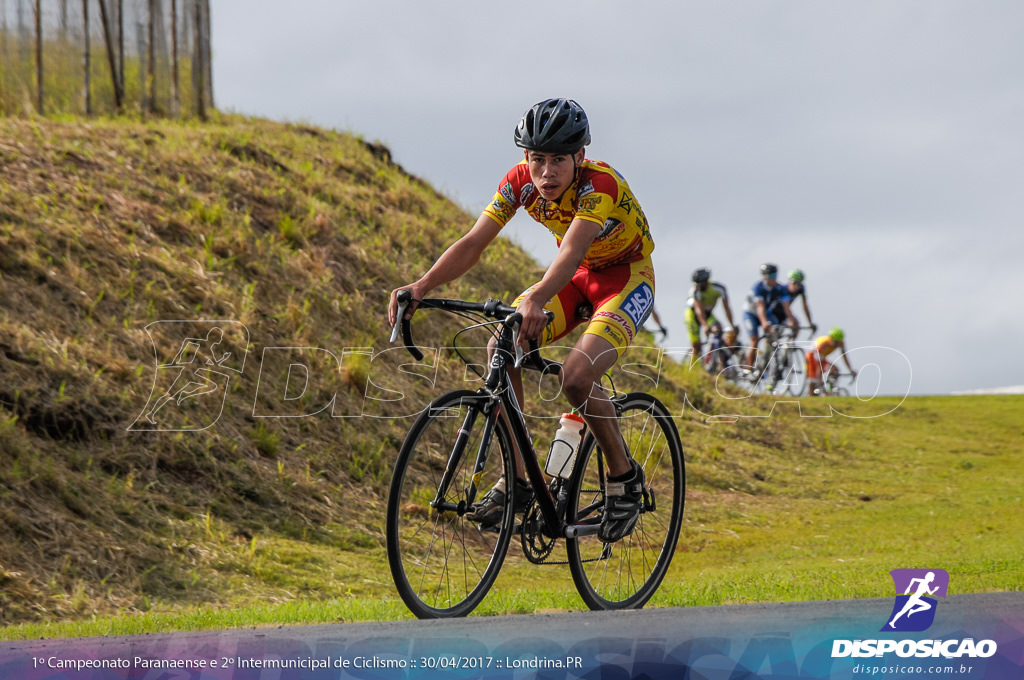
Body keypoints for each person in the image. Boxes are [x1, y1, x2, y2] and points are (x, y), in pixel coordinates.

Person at [388, 98, 655, 543]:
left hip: (625, 279)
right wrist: (421, 286)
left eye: (557, 160)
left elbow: (569, 253)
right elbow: (474, 242)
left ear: (579, 158)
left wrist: (534, 297)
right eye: (537, 159)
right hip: (576, 280)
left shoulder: (599, 184)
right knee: (502, 345)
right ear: (525, 159)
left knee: (575, 376)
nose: (546, 172)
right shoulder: (519, 183)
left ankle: (624, 477)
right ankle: (522, 479)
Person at [742, 263, 797, 370]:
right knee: (755, 339)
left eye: (775, 275)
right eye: (771, 276)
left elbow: (786, 307)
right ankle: (748, 369)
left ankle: (766, 357)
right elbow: (760, 307)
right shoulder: (758, 288)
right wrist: (764, 322)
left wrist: (791, 320)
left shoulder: (780, 288)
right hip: (751, 313)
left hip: (766, 313)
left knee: (775, 334)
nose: (773, 278)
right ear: (764, 277)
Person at [684, 267, 735, 364]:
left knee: (718, 330)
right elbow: (699, 310)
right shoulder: (695, 291)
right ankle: (691, 369)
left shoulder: (719, 288)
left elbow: (726, 308)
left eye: (699, 283)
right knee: (696, 346)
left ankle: (709, 360)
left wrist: (732, 324)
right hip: (692, 314)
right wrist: (705, 326)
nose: (697, 286)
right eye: (696, 283)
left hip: (707, 314)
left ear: (705, 281)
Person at [805, 327, 858, 396]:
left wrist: (850, 369)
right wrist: (819, 379)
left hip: (822, 358)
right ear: (831, 339)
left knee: (835, 370)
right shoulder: (823, 344)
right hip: (811, 357)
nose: (836, 345)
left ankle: (830, 390)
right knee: (814, 379)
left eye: (838, 342)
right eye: (835, 342)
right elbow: (819, 364)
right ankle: (811, 395)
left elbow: (844, 356)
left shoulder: (840, 343)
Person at [769, 269, 817, 335]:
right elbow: (786, 308)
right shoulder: (782, 290)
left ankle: (790, 343)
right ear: (789, 281)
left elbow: (805, 307)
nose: (797, 286)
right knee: (774, 335)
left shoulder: (801, 289)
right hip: (773, 313)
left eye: (799, 284)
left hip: (785, 314)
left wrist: (810, 323)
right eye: (794, 283)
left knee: (796, 324)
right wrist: (791, 320)